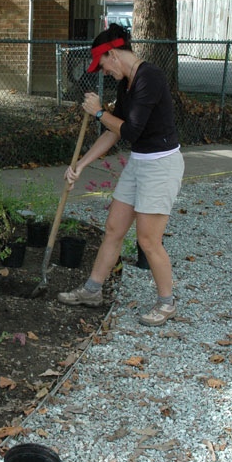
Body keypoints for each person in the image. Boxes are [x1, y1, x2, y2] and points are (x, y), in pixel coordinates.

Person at [57, 23, 184, 327]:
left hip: (161, 165)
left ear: (112, 55)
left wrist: (99, 112)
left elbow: (130, 130)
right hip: (140, 162)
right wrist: (81, 165)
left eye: (101, 65)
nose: (102, 72)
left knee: (148, 239)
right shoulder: (125, 82)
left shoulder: (148, 77)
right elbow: (112, 133)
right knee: (114, 228)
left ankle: (167, 303)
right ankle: (92, 291)